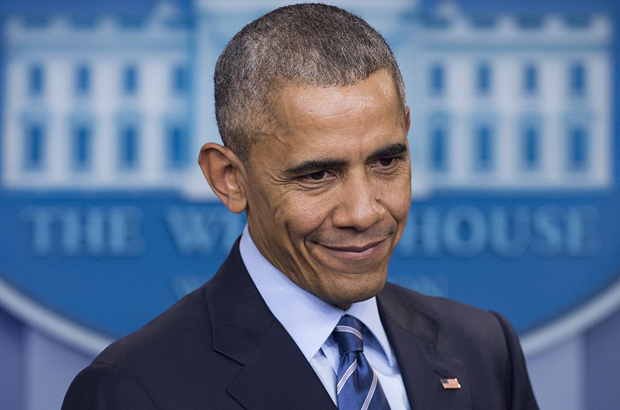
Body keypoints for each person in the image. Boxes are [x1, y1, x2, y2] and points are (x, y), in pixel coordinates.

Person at [62, 3, 539, 409]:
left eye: (386, 160)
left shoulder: (483, 349)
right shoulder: (132, 391)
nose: (364, 212)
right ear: (229, 179)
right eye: (317, 175)